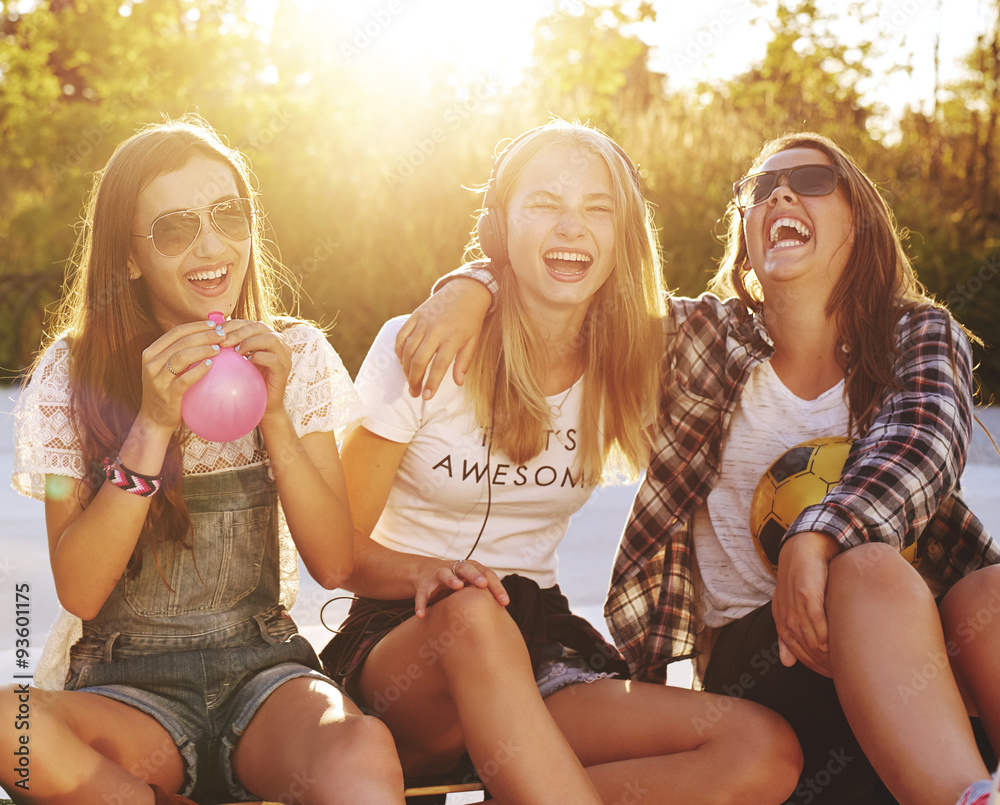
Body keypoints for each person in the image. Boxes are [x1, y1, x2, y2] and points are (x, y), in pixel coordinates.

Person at [391, 131, 1000, 805]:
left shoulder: (917, 334)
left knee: (984, 592)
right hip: (771, 666)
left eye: (811, 181)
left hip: (909, 655)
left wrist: (820, 532)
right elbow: (561, 294)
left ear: (857, 218)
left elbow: (923, 443)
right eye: (760, 189)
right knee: (870, 565)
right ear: (745, 229)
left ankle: (968, 787)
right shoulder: (696, 341)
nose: (782, 194)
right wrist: (473, 284)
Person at [319, 120, 802, 805]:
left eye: (596, 209)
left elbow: (789, 328)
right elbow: (337, 546)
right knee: (472, 614)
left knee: (760, 748)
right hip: (406, 644)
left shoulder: (638, 356)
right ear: (498, 229)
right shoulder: (425, 344)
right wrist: (474, 284)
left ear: (620, 237)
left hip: (534, 641)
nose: (572, 227)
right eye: (544, 204)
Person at [0, 116, 404, 805]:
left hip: (264, 674)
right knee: (15, 726)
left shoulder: (297, 354)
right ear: (128, 257)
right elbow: (81, 590)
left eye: (229, 215)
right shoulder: (70, 376)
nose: (212, 246)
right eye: (175, 228)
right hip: (129, 688)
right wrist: (152, 422)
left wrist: (275, 413)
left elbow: (334, 562)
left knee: (361, 743)